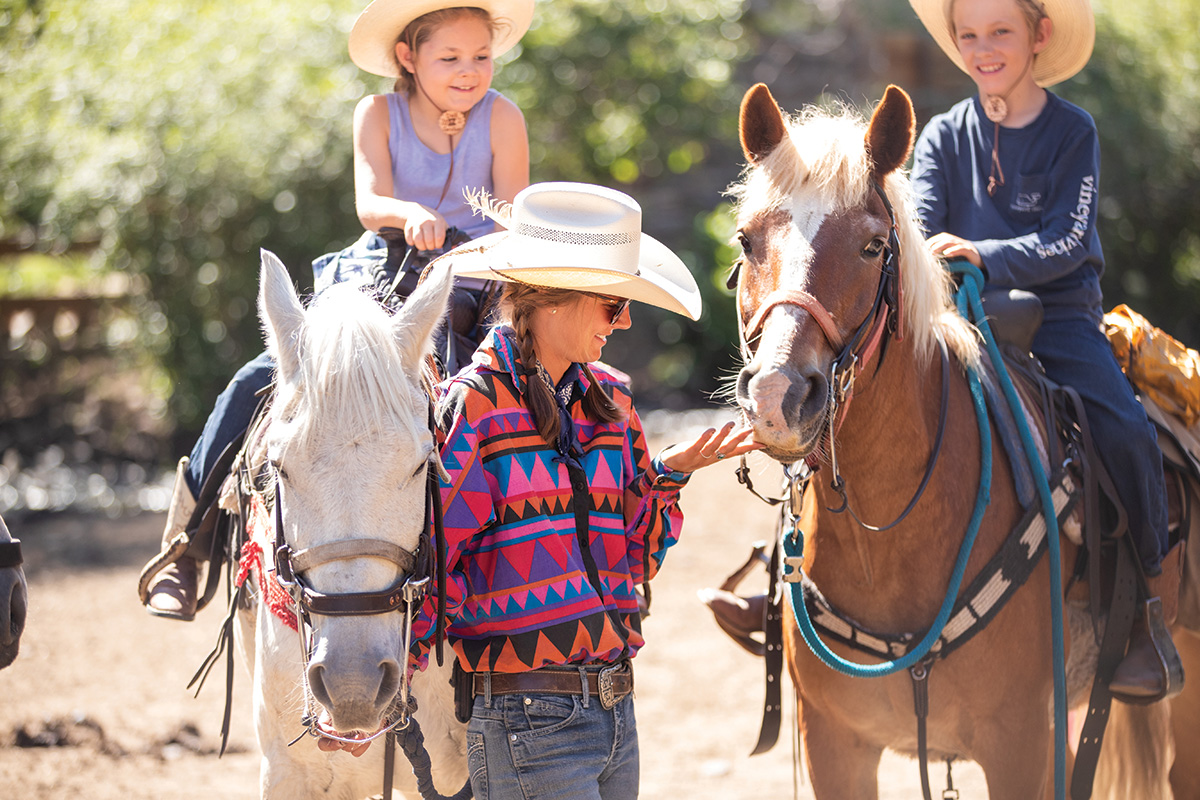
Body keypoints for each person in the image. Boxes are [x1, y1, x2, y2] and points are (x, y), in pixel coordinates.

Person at [317, 181, 762, 796]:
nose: (626, 320)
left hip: (615, 713)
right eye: (612, 304)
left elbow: (634, 561)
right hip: (525, 724)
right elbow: (438, 567)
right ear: (553, 301)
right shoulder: (475, 407)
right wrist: (374, 699)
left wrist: (668, 476)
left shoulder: (613, 403)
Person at [141, 0, 533, 621]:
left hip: (475, 273)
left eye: (481, 56)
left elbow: (513, 213)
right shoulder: (377, 113)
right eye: (450, 57)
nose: (469, 70)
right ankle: (187, 545)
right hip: (383, 266)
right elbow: (370, 199)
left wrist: (472, 247)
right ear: (409, 56)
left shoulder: (503, 116)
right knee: (263, 378)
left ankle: (536, 549)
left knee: (517, 387)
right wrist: (410, 215)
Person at [909, 0, 1183, 701]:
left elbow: (1066, 240)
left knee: (1123, 427)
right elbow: (921, 233)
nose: (983, 48)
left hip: (1058, 317)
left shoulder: (1072, 131)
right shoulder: (943, 135)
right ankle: (793, 582)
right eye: (968, 35)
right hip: (958, 316)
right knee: (861, 399)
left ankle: (1152, 607)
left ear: (1039, 34)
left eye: (999, 31)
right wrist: (947, 265)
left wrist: (982, 252)